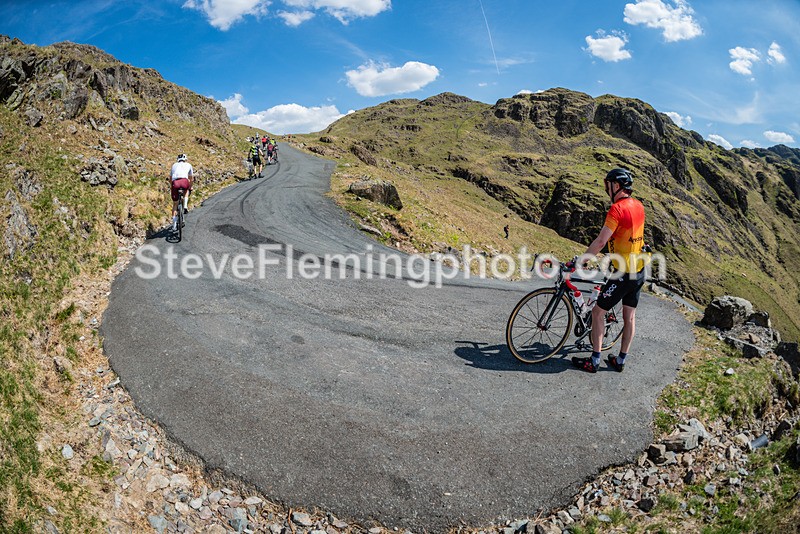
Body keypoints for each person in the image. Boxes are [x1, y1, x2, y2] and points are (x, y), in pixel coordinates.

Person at [571, 168, 646, 374]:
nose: (606, 188)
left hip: (622, 273)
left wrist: (581, 262)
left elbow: (601, 241)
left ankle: (594, 361)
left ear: (616, 186)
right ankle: (621, 360)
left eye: (608, 184)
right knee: (629, 317)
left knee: (597, 312)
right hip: (639, 270)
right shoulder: (639, 206)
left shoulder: (617, 209)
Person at [169, 153, 193, 231]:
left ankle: (174, 226)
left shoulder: (174, 165)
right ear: (185, 159)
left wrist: (172, 187)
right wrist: (190, 187)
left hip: (175, 183)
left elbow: (170, 179)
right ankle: (185, 206)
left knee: (175, 204)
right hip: (184, 181)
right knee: (186, 190)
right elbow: (191, 178)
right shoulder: (188, 165)